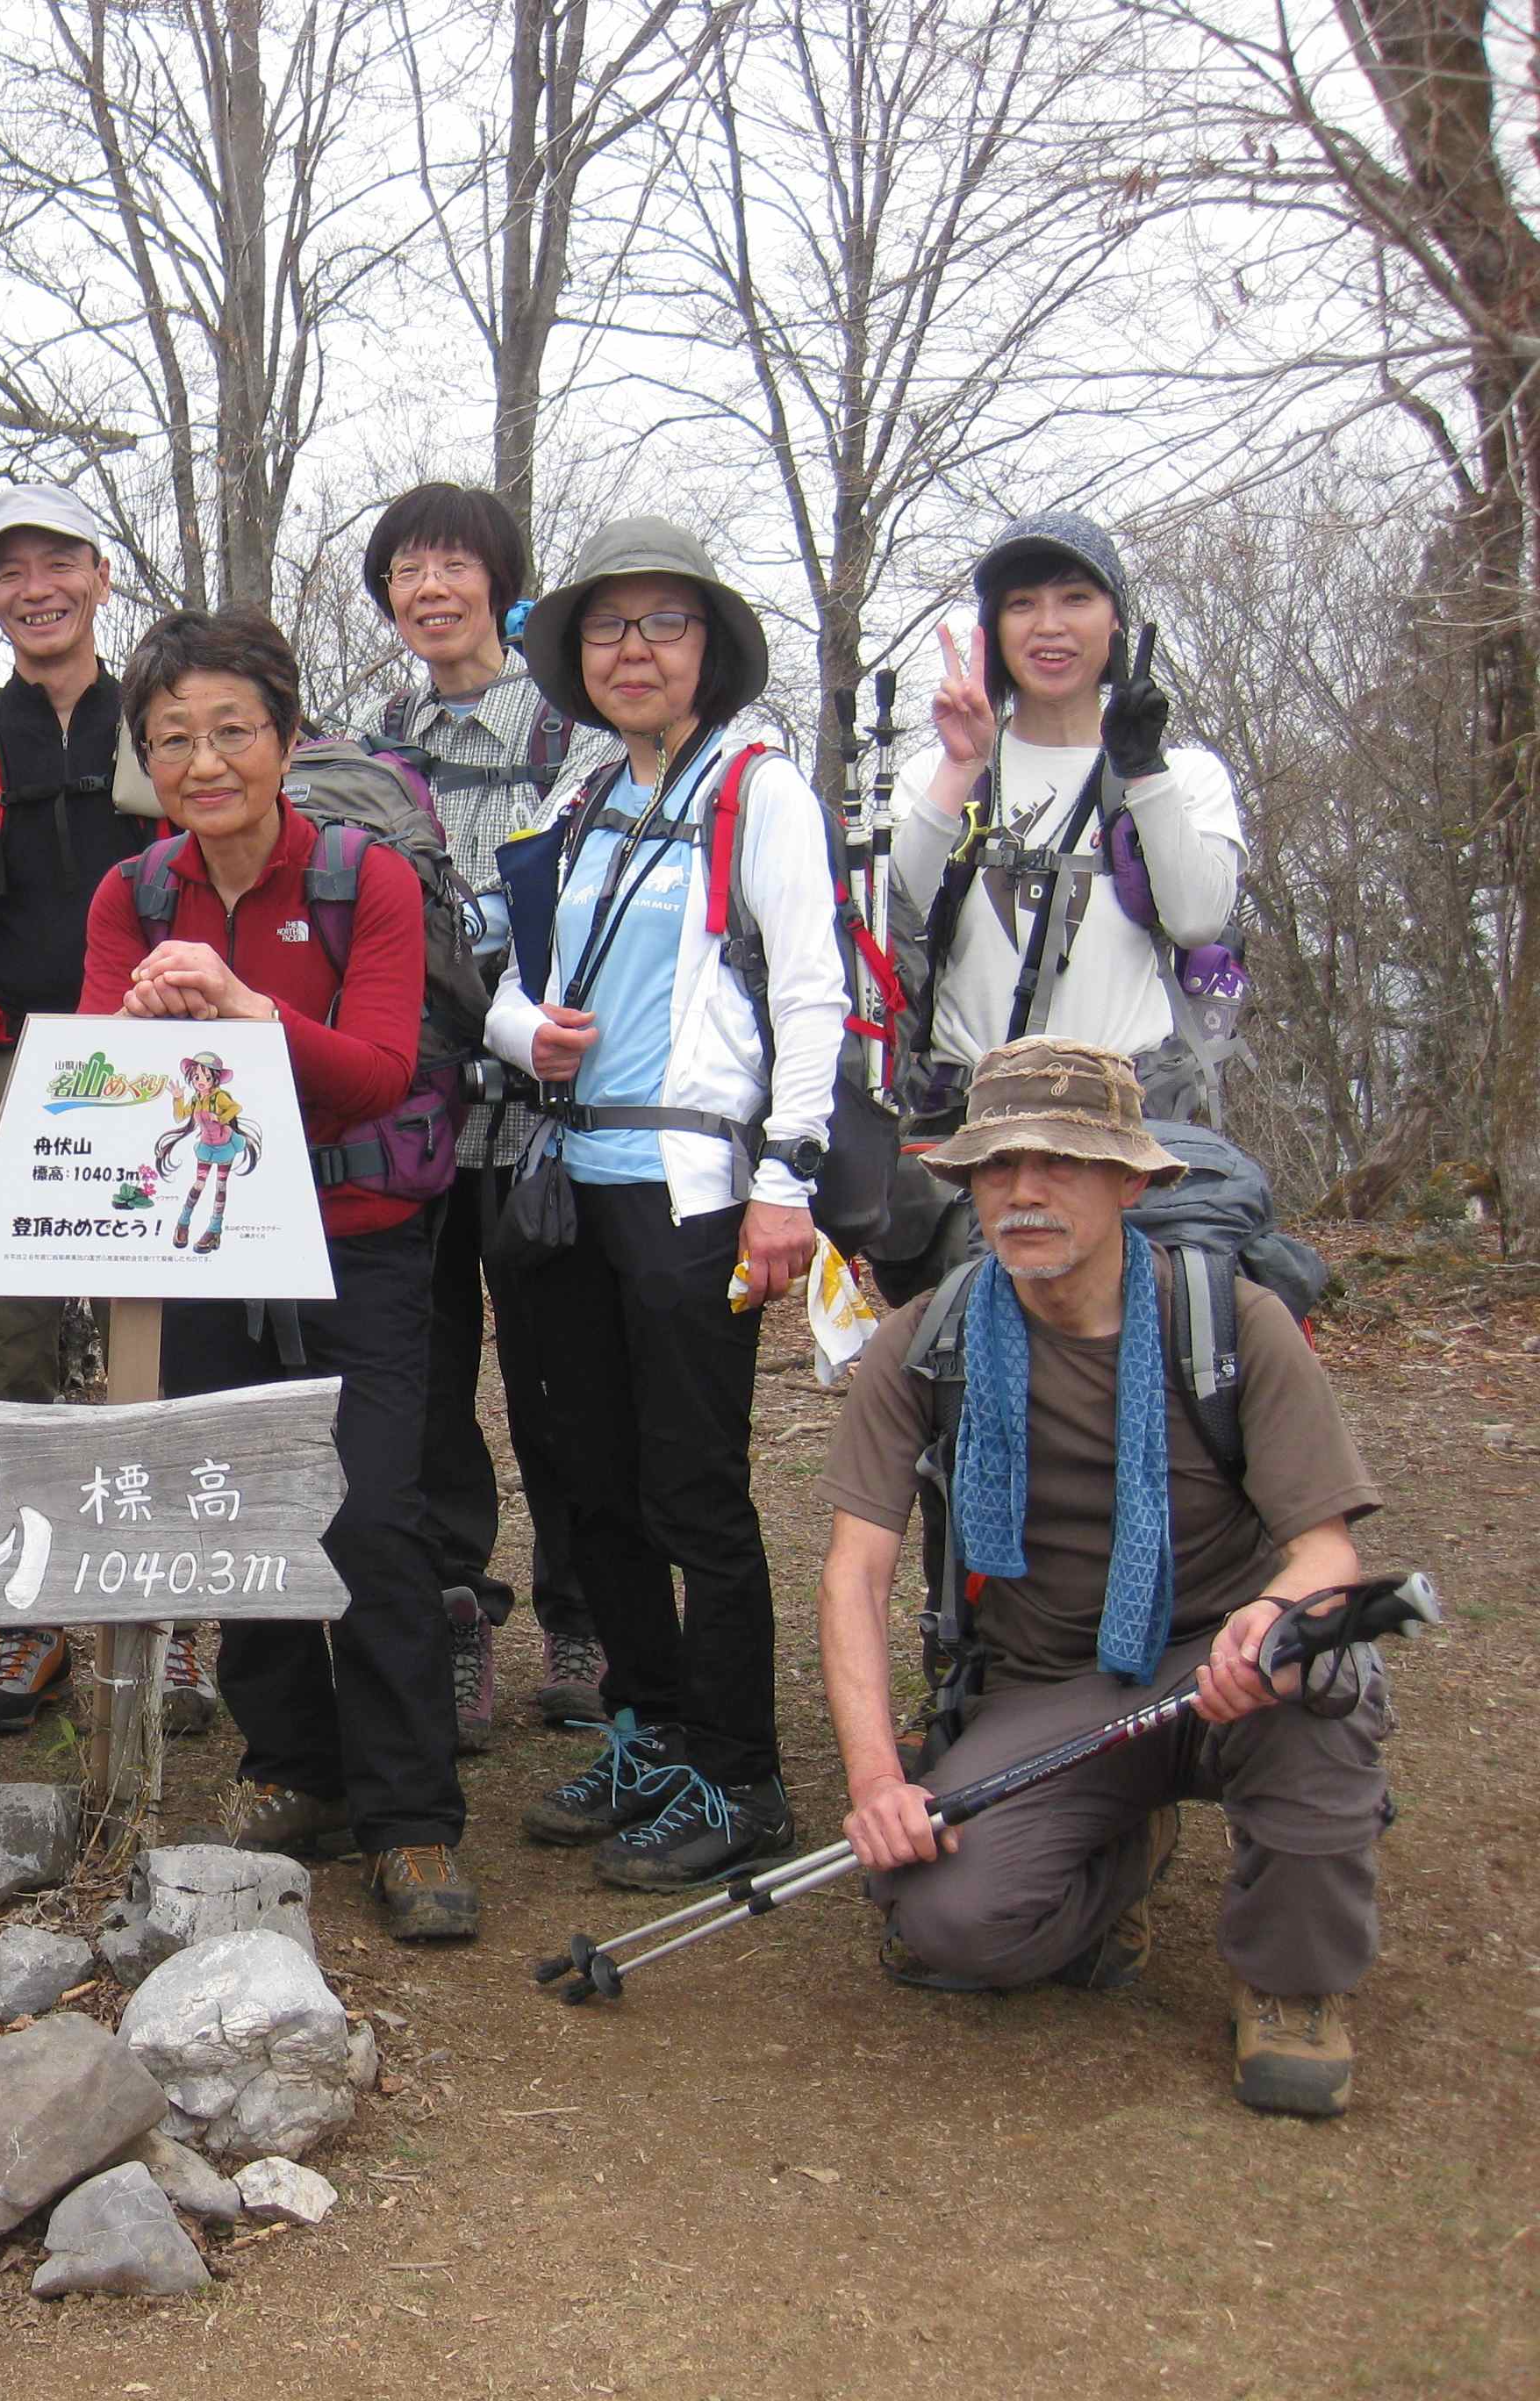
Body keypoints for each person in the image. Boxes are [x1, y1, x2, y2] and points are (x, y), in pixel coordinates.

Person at [817, 1039, 1386, 2117]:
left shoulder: (1231, 1326)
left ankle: (1292, 1981)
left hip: (1226, 1663)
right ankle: (1122, 1848)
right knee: (946, 1921)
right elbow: (857, 1574)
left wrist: (1272, 1619)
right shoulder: (925, 1344)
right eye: (998, 1167)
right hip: (1049, 1687)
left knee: (1318, 1685)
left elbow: (1326, 1553)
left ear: (1130, 1183)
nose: (1025, 1193)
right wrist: (877, 1783)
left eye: (1063, 1163)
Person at [80, 607, 477, 1944]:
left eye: (231, 731)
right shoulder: (132, 895)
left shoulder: (369, 881)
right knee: (235, 1506)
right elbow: (102, 1081)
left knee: (368, 1513)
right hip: (204, 1241)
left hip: (359, 1237)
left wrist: (248, 1013)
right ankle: (293, 1763)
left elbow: (379, 1071)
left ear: (287, 737)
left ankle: (411, 1813)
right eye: (172, 740)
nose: (204, 763)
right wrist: (135, 1025)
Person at [488, 519, 846, 1891]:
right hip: (567, 1183)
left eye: (664, 623)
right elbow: (514, 977)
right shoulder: (581, 796)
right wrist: (525, 1036)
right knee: (589, 1483)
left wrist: (785, 1183)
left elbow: (812, 994)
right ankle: (647, 1730)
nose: (632, 650)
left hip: (693, 1191)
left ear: (712, 647)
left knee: (694, 1487)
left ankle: (741, 1773)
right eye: (607, 626)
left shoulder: (760, 791)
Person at [0, 482, 183, 1736]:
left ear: (101, 576)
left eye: (58, 562)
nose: (37, 589)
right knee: (8, 1337)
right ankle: (28, 1608)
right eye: (9, 571)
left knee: (156, 1340)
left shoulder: (166, 720)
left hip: (156, 1060)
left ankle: (161, 1613)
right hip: (9, 1063)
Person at [360, 481, 623, 1751]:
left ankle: (586, 1622)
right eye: (407, 571)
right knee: (423, 1382)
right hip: (411, 1111)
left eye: (453, 565)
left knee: (559, 1375)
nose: (431, 590)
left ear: (502, 585)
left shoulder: (575, 733)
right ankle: (456, 1614)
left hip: (544, 1113)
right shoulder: (371, 741)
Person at [881, 512, 1243, 1296]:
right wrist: (959, 769)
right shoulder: (935, 772)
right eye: (1023, 604)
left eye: (1076, 598)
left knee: (1121, 1346)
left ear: (1116, 621)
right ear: (994, 629)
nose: (1050, 626)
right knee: (966, 1353)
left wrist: (1143, 769)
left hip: (1124, 1129)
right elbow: (891, 922)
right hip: (972, 1133)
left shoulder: (1185, 775)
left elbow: (1197, 917)